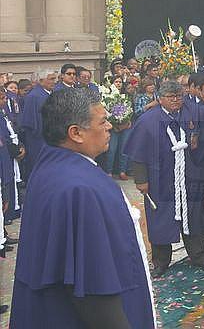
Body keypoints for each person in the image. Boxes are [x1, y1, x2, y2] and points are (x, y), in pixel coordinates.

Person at [10, 88, 156, 328]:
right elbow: (94, 286)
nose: (109, 126)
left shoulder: (52, 164)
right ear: (75, 133)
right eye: (103, 121)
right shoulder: (81, 189)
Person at [125, 80, 204, 276]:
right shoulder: (148, 121)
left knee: (193, 217)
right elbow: (138, 154)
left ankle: (199, 255)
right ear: (160, 99)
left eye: (178, 96)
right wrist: (141, 180)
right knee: (160, 219)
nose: (175, 100)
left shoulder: (189, 114)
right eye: (170, 97)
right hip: (160, 179)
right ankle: (160, 262)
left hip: (188, 177)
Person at [18, 68, 57, 173]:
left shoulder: (52, 93)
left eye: (55, 79)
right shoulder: (33, 96)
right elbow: (29, 121)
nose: (54, 81)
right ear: (41, 80)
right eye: (51, 79)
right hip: (39, 139)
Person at [0, 89, 23, 222]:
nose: (4, 101)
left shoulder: (3, 113)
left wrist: (19, 146)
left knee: (9, 185)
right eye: (2, 98)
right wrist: (14, 149)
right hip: (5, 156)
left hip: (9, 155)